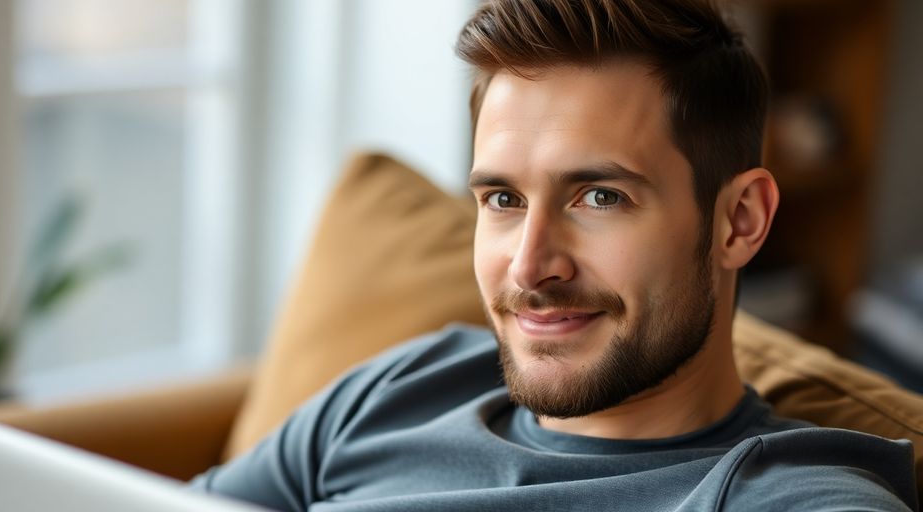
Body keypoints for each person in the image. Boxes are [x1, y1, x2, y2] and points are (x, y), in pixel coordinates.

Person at [190, 1, 918, 510]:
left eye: (599, 197)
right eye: (503, 199)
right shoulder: (393, 392)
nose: (531, 266)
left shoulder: (790, 497)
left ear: (739, 220)